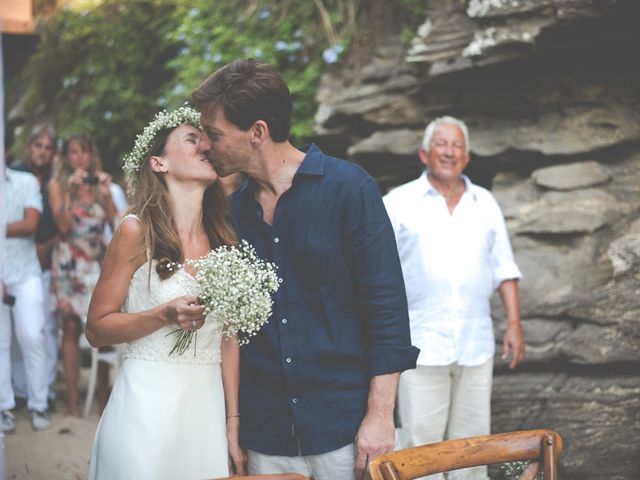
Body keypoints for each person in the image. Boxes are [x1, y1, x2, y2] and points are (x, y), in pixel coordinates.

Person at [192, 59, 419, 480]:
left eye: (215, 133)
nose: (205, 144)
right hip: (266, 436)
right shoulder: (229, 214)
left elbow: (387, 311)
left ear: (257, 132)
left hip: (346, 430)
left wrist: (380, 416)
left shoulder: (349, 189)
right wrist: (234, 422)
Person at [85, 105, 242, 479]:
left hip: (205, 414)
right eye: (192, 139)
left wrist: (232, 422)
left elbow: (229, 339)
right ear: (159, 163)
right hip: (145, 409)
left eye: (208, 139)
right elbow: (96, 328)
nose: (206, 146)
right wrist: (163, 314)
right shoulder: (135, 232)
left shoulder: (227, 243)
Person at [383, 116, 526, 480]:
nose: (449, 151)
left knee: (474, 446)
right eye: (442, 144)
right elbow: (377, 272)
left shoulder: (485, 202)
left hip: (475, 342)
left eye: (457, 145)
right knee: (420, 445)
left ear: (467, 156)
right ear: (424, 154)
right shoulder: (397, 202)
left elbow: (504, 268)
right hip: (420, 343)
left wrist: (513, 324)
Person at [47, 134, 116, 416]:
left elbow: (116, 223)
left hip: (95, 266)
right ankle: (74, 399)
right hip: (68, 265)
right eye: (73, 152)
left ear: (90, 155)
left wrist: (107, 195)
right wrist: (70, 194)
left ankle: (102, 396)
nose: (79, 157)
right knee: (72, 328)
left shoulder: (99, 186)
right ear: (65, 157)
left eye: (84, 151)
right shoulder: (57, 185)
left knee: (102, 330)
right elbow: (62, 226)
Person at [10, 124, 59, 408]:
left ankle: (46, 389)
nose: (42, 152)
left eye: (48, 147)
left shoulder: (56, 179)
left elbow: (63, 224)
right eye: (38, 145)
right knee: (18, 332)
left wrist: (48, 245)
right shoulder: (14, 173)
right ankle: (19, 389)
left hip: (47, 260)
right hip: (17, 260)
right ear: (29, 147)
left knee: (45, 328)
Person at [1, 165, 52, 433]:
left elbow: (31, 223)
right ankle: (4, 406)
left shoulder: (26, 180)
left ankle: (39, 403)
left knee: (32, 336)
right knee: (0, 342)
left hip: (25, 271)